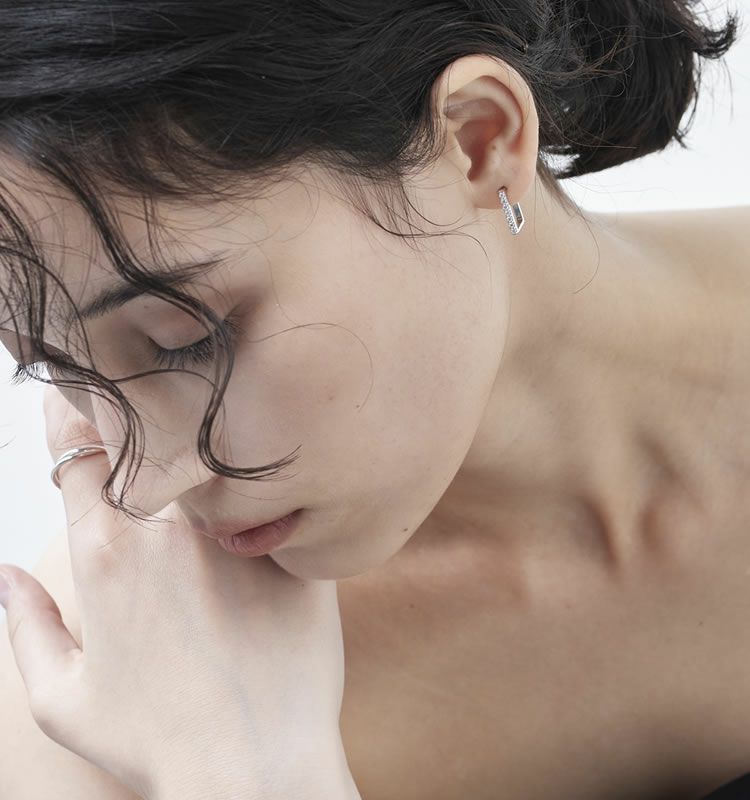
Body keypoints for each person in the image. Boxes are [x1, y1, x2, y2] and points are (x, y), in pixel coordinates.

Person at [0, 1, 747, 798]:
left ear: (479, 141)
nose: (147, 484)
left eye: (186, 338)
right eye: (58, 367)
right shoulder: (116, 699)